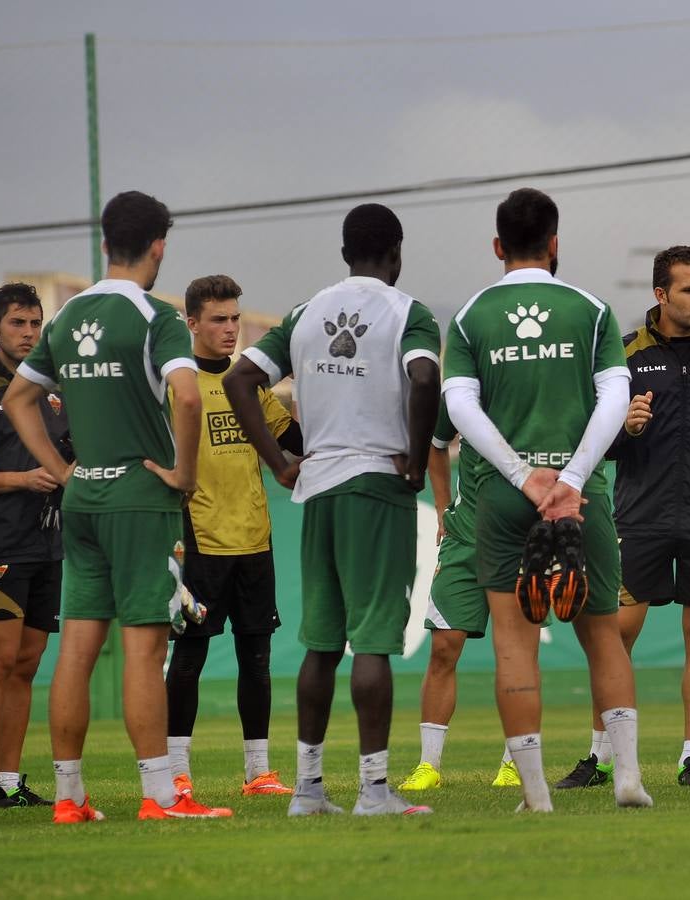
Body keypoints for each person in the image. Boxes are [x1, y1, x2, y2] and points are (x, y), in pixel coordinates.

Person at [4, 190, 231, 822]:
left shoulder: (68, 314)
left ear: (106, 243)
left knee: (74, 649)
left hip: (84, 501)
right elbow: (187, 398)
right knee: (143, 650)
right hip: (140, 498)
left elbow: (20, 399)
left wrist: (61, 472)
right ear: (159, 245)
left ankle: (70, 798)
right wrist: (183, 474)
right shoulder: (156, 318)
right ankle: (161, 796)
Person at [224, 202, 441, 817]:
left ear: (345, 253)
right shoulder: (409, 312)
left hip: (316, 484)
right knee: (371, 640)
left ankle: (308, 789)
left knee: (320, 642)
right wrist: (419, 461)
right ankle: (373, 790)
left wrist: (278, 461)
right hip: (376, 481)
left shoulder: (305, 312)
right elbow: (424, 380)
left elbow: (242, 380)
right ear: (396, 254)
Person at [442, 187, 652, 812]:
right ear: (555, 244)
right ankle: (628, 779)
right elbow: (616, 398)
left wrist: (522, 475)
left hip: (504, 498)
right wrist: (572, 478)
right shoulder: (589, 309)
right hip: (580, 499)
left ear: (498, 246)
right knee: (604, 638)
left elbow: (459, 407)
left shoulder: (471, 315)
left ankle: (536, 794)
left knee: (514, 641)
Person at [554, 245, 690, 790]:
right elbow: (588, 441)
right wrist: (622, 429)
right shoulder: (623, 354)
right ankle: (599, 757)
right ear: (660, 295)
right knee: (617, 636)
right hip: (640, 518)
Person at [164, 275, 303, 799]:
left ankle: (258, 773)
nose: (229, 328)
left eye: (234, 318)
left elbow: (294, 439)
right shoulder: (178, 387)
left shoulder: (253, 386)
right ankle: (177, 773)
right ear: (192, 323)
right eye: (218, 319)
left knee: (257, 659)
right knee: (190, 660)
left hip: (255, 540)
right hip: (199, 543)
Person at [0, 283, 67, 809]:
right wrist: (21, 480)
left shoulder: (51, 393)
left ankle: (8, 780)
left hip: (48, 544)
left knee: (29, 663)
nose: (29, 334)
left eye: (35, 324)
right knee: (1, 661)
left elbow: (70, 456)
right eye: (18, 324)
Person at [398, 399, 521, 792]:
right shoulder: (462, 393)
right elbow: (435, 445)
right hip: (465, 537)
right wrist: (441, 507)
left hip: (521, 539)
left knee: (516, 651)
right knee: (444, 648)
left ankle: (514, 762)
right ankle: (428, 765)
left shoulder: (534, 381)